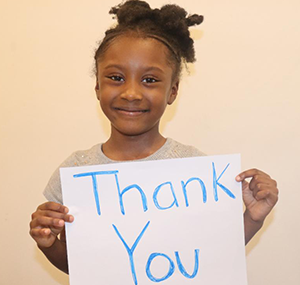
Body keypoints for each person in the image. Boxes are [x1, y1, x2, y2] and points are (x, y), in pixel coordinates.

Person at [29, 0, 279, 274]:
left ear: (173, 91)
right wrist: (49, 243)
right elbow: (83, 267)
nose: (131, 93)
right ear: (98, 86)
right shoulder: (75, 170)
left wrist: (252, 219)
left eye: (149, 80)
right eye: (115, 77)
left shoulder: (194, 169)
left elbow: (211, 254)